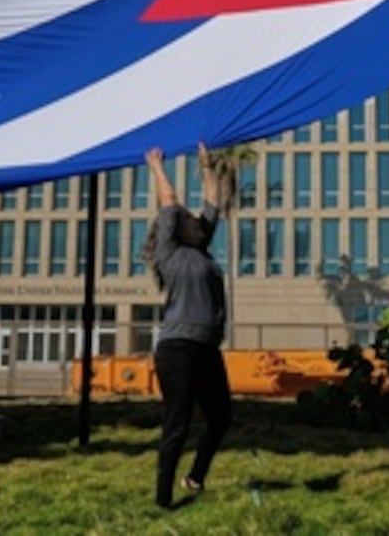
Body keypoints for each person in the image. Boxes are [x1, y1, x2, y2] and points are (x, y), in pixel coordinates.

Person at [143, 143, 231, 509]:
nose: (198, 220)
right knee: (178, 422)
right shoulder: (169, 252)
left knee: (221, 417)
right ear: (177, 229)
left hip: (206, 349)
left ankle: (195, 477)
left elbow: (212, 199)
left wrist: (206, 165)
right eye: (189, 220)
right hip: (178, 349)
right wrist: (157, 167)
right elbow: (169, 200)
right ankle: (163, 501)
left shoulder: (202, 248)